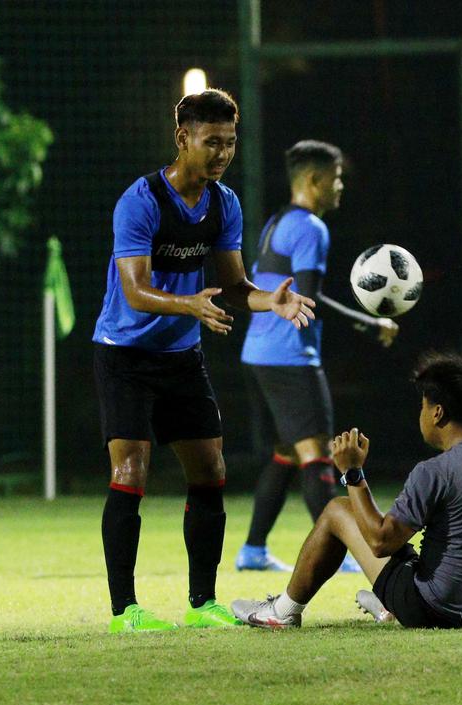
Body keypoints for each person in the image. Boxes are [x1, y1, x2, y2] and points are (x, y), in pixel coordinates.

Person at [92, 89, 316, 633]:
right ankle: (126, 611)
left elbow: (236, 286)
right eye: (211, 142)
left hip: (179, 356)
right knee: (130, 470)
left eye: (230, 143)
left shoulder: (223, 204)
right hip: (124, 353)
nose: (221, 154)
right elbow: (136, 289)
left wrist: (272, 301)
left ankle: (201, 603)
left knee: (210, 470)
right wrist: (189, 304)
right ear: (183, 139)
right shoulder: (141, 201)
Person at [231, 353, 462, 630]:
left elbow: (381, 542)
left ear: (437, 412)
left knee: (338, 510)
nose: (421, 414)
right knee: (413, 546)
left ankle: (283, 612)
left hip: (436, 611)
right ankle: (390, 606)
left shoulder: (436, 471)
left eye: (424, 406)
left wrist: (353, 473)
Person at [235, 140, 399, 574]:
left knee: (287, 452)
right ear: (313, 180)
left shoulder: (278, 221)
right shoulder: (311, 227)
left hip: (258, 354)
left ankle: (252, 550)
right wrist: (372, 322)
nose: (341, 185)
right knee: (317, 455)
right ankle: (339, 547)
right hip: (289, 356)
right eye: (337, 177)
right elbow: (308, 299)